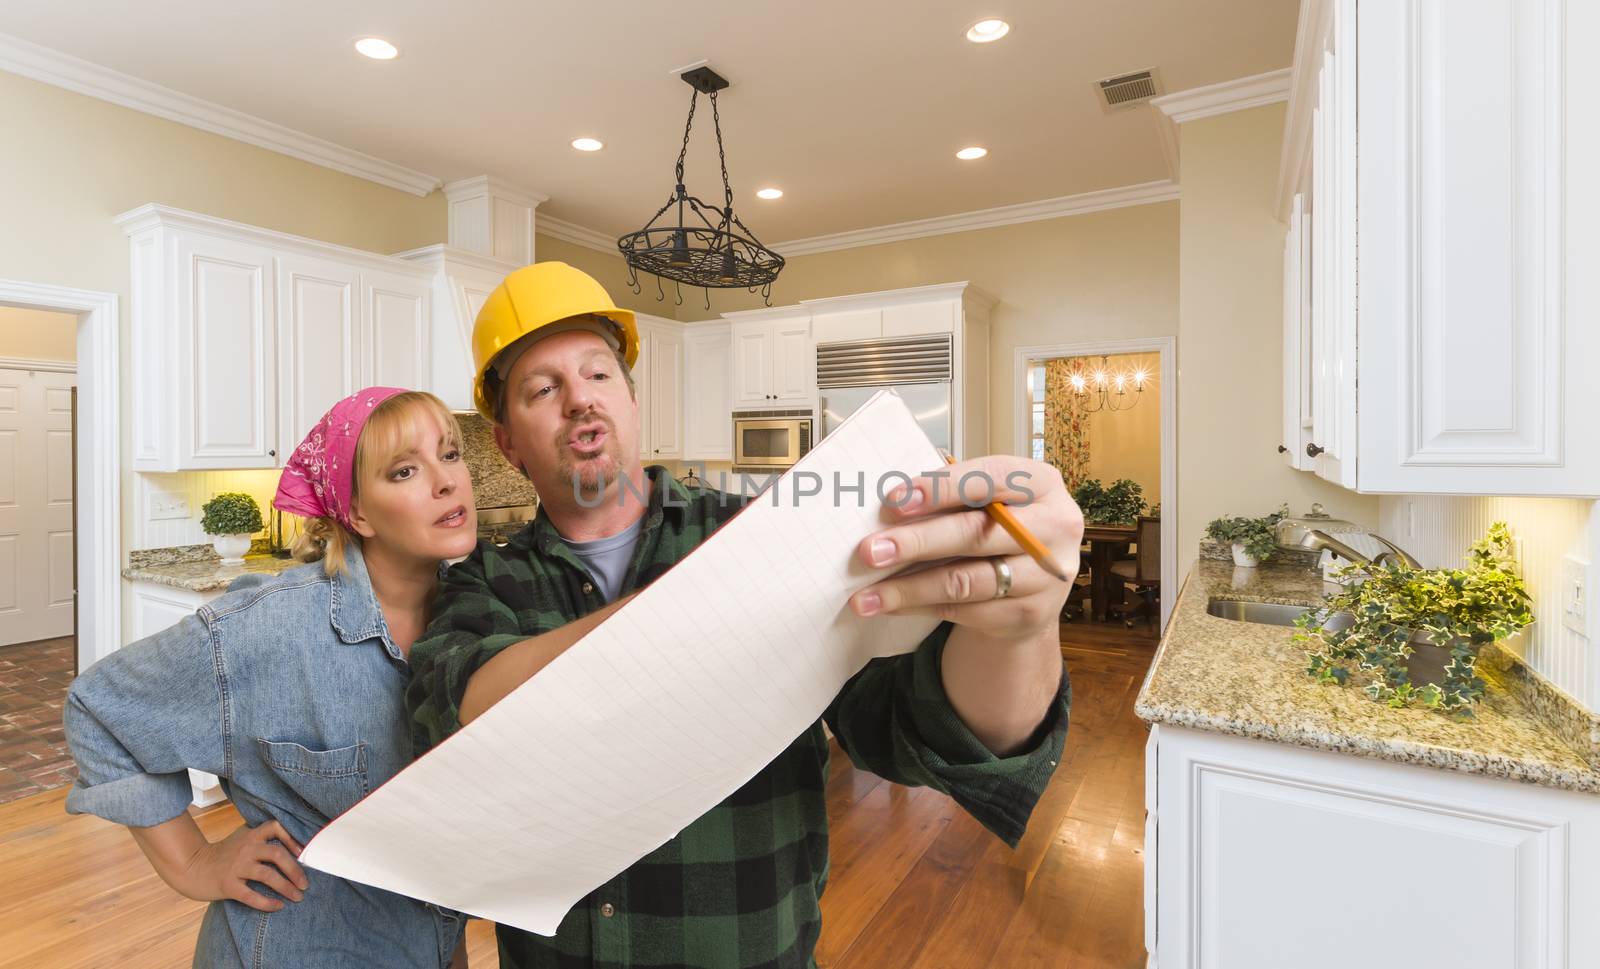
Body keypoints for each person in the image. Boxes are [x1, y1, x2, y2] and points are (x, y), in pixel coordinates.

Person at [407, 262, 1078, 969]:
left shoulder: (764, 532)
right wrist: (711, 600)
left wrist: (1023, 626)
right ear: (507, 441)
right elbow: (457, 719)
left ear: (632, 400)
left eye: (598, 375)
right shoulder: (483, 580)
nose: (580, 400)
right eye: (543, 389)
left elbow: (913, 729)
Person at [64, 389, 479, 968]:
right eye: (405, 470)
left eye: (451, 454)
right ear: (356, 513)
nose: (445, 482)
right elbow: (98, 706)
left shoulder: (481, 619)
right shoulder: (272, 626)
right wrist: (193, 863)